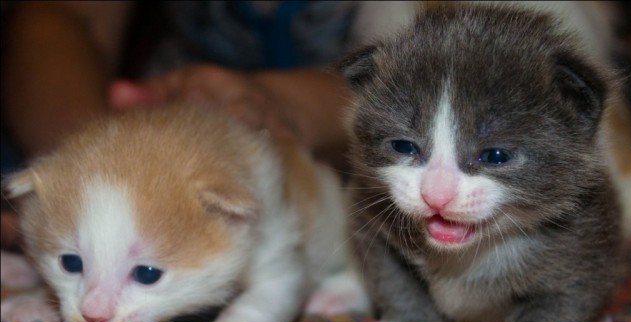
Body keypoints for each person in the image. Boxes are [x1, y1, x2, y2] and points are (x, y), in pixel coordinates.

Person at [0, 1, 418, 251]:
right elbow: (63, 14)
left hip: (361, 172)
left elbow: (420, 74)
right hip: (139, 115)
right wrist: (86, 169)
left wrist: (283, 107)